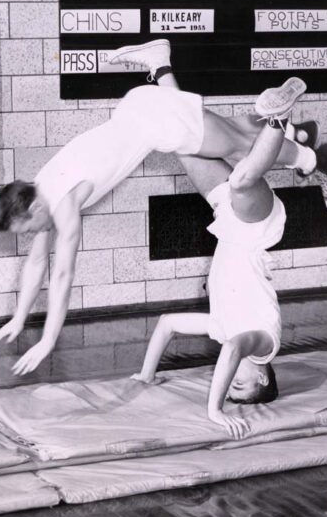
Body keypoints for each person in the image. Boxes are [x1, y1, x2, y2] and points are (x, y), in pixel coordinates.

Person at [0, 39, 327, 376]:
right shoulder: (42, 184)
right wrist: (19, 319)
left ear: (32, 209)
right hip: (138, 106)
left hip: (160, 122)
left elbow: (62, 274)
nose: (35, 234)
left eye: (29, 229)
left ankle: (313, 158)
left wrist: (49, 339)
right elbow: (36, 262)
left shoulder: (62, 206)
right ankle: (294, 132)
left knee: (240, 149)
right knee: (233, 132)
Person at [130, 91, 303, 438]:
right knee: (241, 179)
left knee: (180, 140)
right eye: (241, 386)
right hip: (256, 227)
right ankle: (280, 121)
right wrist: (215, 408)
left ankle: (162, 69)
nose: (232, 384)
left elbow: (167, 324)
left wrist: (147, 374)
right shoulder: (264, 344)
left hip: (227, 216)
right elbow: (234, 348)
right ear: (263, 375)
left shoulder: (223, 327)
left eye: (231, 389)